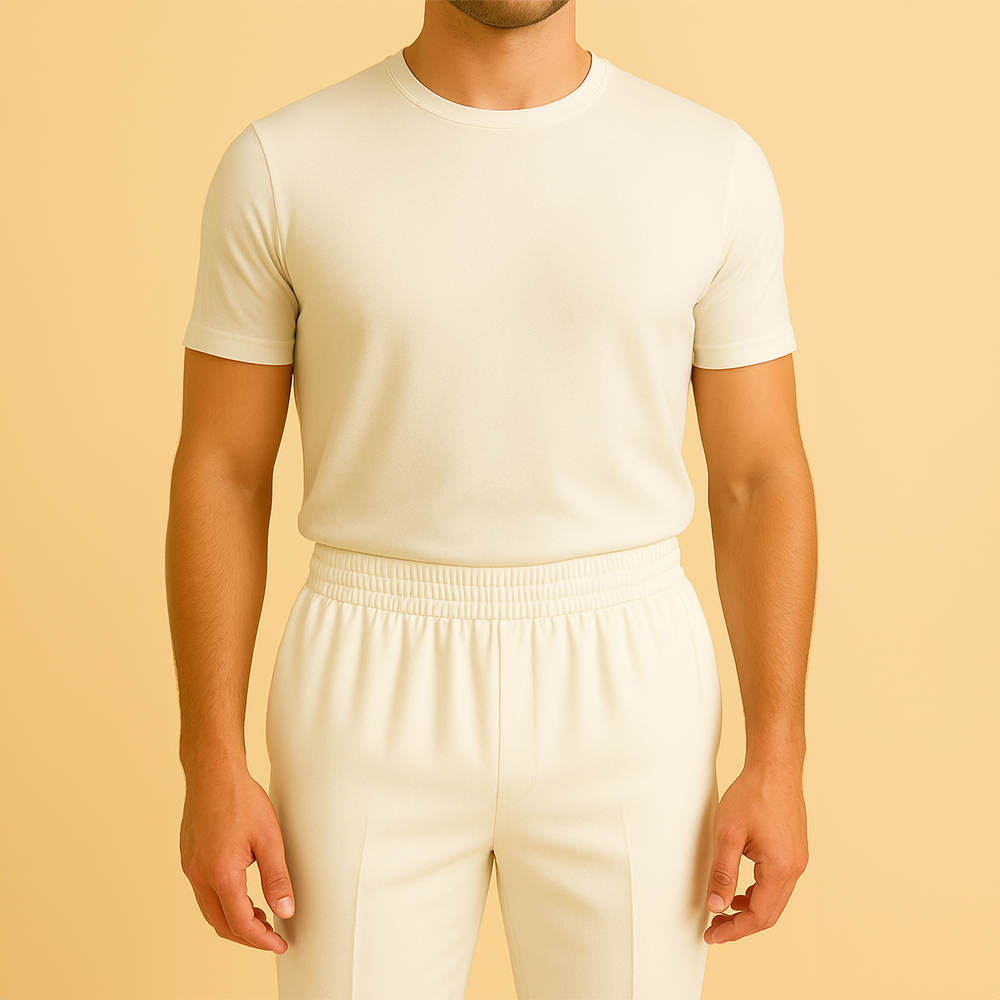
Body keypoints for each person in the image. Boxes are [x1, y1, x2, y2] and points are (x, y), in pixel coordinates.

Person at [165, 0, 816, 996]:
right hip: (366, 674)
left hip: (629, 674)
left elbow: (759, 475)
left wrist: (779, 753)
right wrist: (208, 758)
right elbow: (222, 468)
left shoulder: (710, 165)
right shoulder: (283, 164)